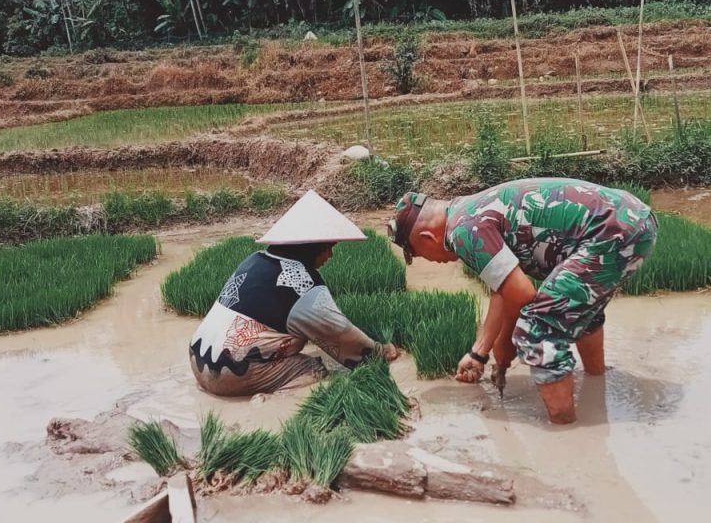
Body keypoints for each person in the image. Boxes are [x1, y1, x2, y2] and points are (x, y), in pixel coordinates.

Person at [387, 178, 656, 424]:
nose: (429, 261)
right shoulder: (467, 211)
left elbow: (523, 294)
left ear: (426, 238)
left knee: (536, 330)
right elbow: (503, 289)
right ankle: (597, 386)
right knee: (574, 309)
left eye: (419, 254)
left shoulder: (462, 232)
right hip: (630, 220)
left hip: (611, 232)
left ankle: (567, 432)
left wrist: (505, 346)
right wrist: (479, 352)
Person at [190, 190, 398, 397]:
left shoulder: (254, 260)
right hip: (233, 372)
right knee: (313, 369)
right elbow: (339, 333)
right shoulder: (302, 284)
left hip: (198, 361)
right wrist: (380, 352)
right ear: (312, 247)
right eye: (328, 247)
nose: (330, 255)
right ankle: (272, 401)